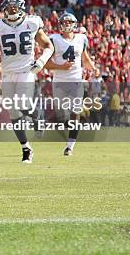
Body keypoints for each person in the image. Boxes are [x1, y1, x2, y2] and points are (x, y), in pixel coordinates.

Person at [0, 0, 54, 164]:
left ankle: (38, 116)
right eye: (8, 7)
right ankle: (26, 148)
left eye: (14, 7)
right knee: (13, 111)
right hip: (7, 73)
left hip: (26, 70)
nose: (11, 10)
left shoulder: (31, 23)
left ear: (21, 8)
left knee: (22, 105)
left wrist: (41, 61)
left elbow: (48, 46)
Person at [45, 12, 99, 156]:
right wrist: (61, 67)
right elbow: (46, 63)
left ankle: (70, 146)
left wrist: (94, 69)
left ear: (74, 24)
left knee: (76, 112)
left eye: (70, 22)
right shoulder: (54, 39)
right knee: (62, 116)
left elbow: (85, 59)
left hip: (76, 79)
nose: (67, 24)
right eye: (65, 22)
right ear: (60, 25)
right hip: (59, 81)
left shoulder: (81, 39)